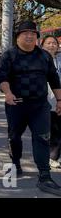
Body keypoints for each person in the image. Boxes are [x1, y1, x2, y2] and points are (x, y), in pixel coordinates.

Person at [0, 21, 61, 196]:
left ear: (37, 37)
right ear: (18, 36)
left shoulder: (44, 56)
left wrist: (59, 99)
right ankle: (15, 162)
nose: (29, 35)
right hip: (16, 104)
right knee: (14, 137)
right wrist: (8, 93)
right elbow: (2, 77)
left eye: (33, 33)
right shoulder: (9, 55)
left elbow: (54, 79)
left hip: (40, 106)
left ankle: (45, 176)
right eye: (25, 33)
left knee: (42, 138)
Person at [41, 35, 61, 169]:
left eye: (54, 43)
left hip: (58, 100)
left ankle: (53, 157)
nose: (52, 45)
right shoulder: (38, 59)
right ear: (42, 45)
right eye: (48, 43)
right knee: (44, 130)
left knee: (58, 130)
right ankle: (44, 156)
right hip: (43, 99)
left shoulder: (59, 60)